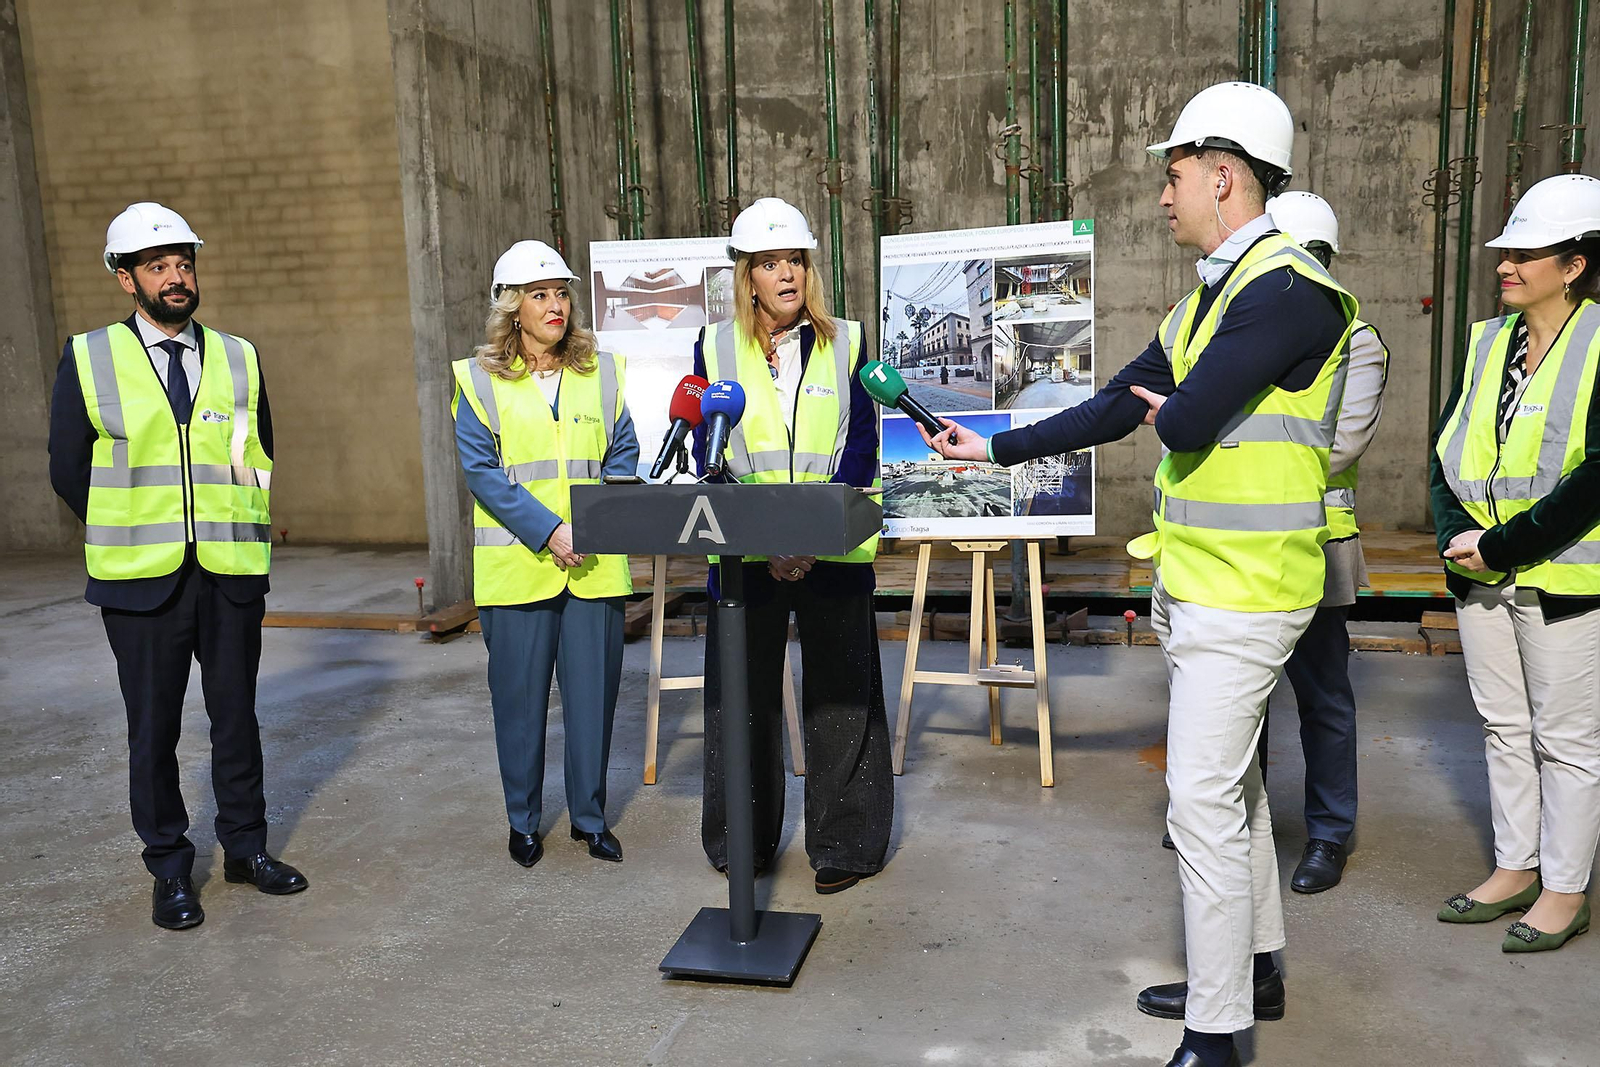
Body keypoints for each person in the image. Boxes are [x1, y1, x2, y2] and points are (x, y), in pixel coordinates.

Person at [923, 84, 1356, 1067]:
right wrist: (993, 448)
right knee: (1231, 789)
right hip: (1205, 582)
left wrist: (1175, 407)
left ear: (1222, 175)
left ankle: (1219, 1032)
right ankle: (1253, 969)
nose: (1162, 197)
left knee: (1198, 801)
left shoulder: (1287, 288)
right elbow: (1125, 399)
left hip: (1249, 589)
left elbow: (1190, 419)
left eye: (1170, 177)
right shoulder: (1211, 293)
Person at [47, 203, 306, 931]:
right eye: (158, 266)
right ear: (126, 279)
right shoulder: (90, 355)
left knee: (237, 718)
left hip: (228, 571)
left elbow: (258, 454)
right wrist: (125, 527)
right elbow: (68, 467)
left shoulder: (238, 355)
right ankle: (168, 867)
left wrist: (236, 528)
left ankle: (246, 851)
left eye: (184, 263)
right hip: (139, 580)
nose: (177, 277)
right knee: (153, 726)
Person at [692, 197, 892, 896]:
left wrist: (808, 536)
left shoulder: (850, 340)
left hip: (831, 548)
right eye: (771, 263)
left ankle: (845, 841)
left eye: (797, 261)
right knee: (740, 701)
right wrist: (769, 539)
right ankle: (740, 839)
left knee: (841, 697)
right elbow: (711, 453)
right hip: (748, 555)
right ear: (747, 275)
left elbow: (861, 444)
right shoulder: (716, 347)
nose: (787, 275)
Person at [1431, 173, 1600, 953]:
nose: (1506, 263)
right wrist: (1453, 538)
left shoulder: (1599, 342)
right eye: (1505, 250)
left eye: (1527, 252)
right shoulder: (1489, 341)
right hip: (1480, 576)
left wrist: (1498, 546)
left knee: (1565, 739)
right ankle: (1515, 867)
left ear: (1573, 265)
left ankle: (1565, 891)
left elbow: (1594, 478)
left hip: (1562, 579)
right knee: (1503, 726)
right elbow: (1447, 452)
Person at [1219, 191, 1390, 894]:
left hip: (1316, 545)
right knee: (1239, 694)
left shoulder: (1358, 339)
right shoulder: (1240, 323)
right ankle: (1228, 814)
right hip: (1239, 543)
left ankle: (1328, 834)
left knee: (1322, 697)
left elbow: (1340, 442)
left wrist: (1241, 443)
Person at [451, 241, 638, 869]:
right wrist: (550, 531)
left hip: (594, 566)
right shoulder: (477, 380)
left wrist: (588, 526)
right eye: (540, 295)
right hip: (517, 570)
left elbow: (623, 456)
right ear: (512, 308)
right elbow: (482, 472)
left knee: (594, 702)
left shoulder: (601, 372)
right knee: (519, 704)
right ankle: (523, 822)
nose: (555, 305)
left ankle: (589, 818)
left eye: (561, 293)